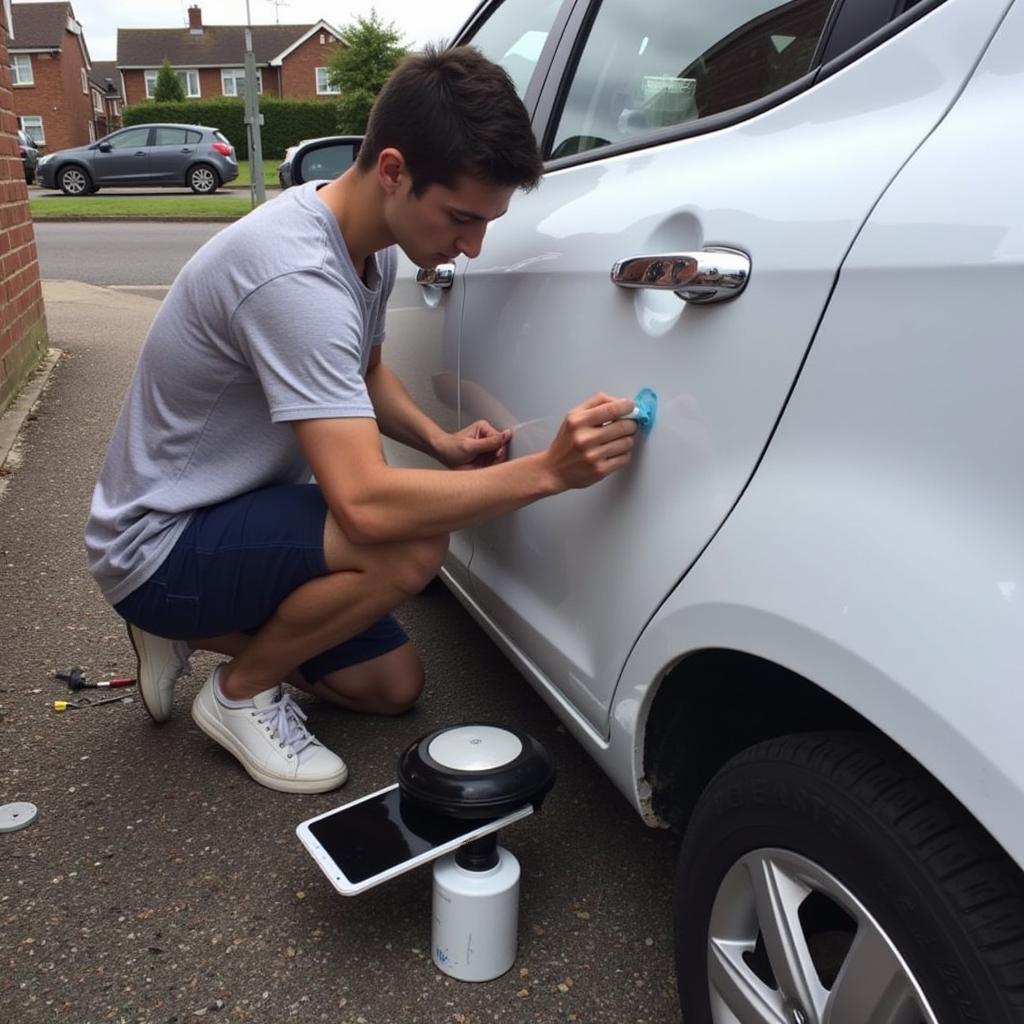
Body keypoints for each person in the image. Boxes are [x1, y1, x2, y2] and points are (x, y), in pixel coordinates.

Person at [84, 45, 638, 794]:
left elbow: (366, 367)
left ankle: (190, 631)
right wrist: (546, 471)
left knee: (391, 687)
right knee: (408, 547)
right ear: (393, 171)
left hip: (232, 513)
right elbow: (367, 505)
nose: (472, 247)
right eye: (462, 218)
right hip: (159, 539)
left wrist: (438, 441)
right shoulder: (295, 277)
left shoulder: (362, 241)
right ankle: (238, 694)